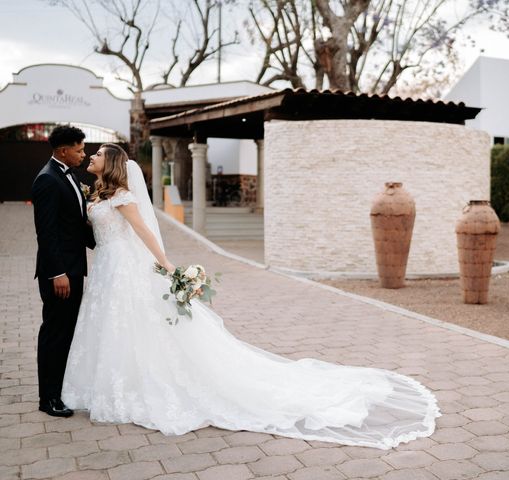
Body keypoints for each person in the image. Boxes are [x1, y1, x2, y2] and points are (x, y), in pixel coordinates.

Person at [62, 143, 441, 449]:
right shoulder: (97, 193)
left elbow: (145, 232)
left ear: (110, 164)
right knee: (118, 327)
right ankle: (116, 385)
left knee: (134, 325)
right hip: (109, 271)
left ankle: (139, 387)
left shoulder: (124, 197)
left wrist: (168, 266)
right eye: (90, 153)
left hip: (128, 270)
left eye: (96, 154)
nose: (91, 156)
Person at [31, 125, 95, 417]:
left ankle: (61, 390)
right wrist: (57, 273)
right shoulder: (47, 180)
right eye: (80, 149)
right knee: (55, 333)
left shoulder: (70, 176)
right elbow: (47, 233)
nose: (84, 154)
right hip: (60, 274)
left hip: (73, 268)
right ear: (63, 151)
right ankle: (49, 399)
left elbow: (75, 225)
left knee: (67, 330)